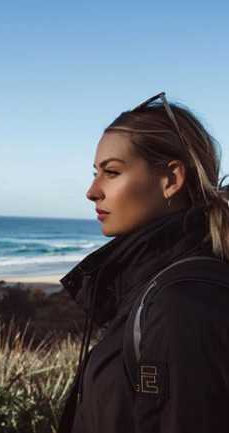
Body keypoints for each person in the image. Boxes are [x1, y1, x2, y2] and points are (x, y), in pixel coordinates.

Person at [57, 92, 229, 433]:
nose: (92, 191)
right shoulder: (152, 288)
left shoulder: (182, 303)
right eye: (96, 172)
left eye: (112, 172)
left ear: (171, 180)